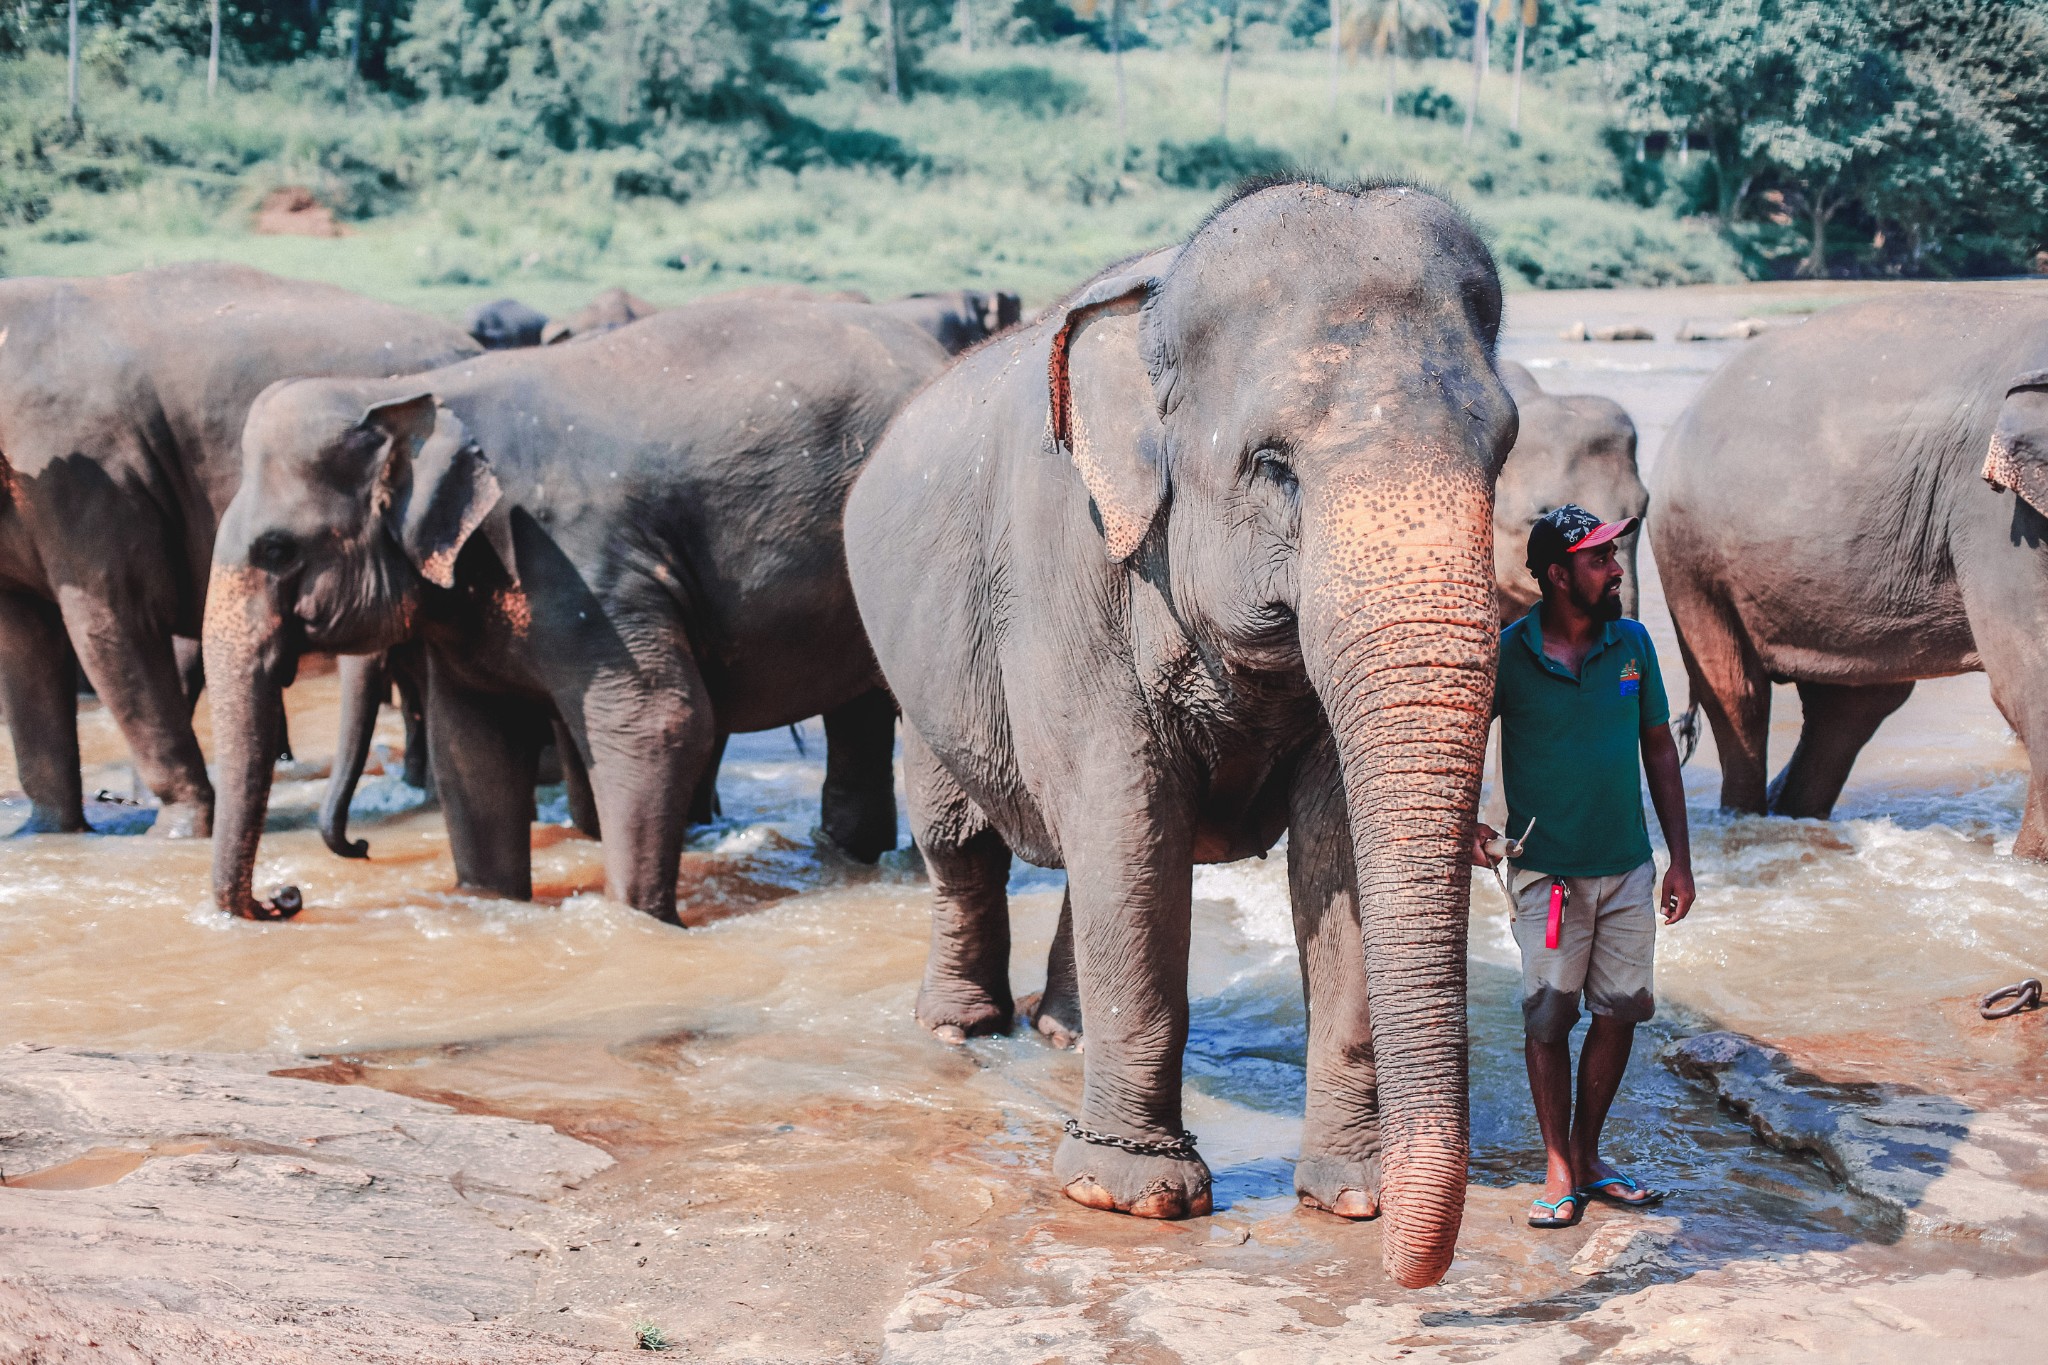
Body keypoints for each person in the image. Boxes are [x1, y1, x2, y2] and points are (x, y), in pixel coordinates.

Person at [1473, 504, 1695, 1230]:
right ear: (1559, 575)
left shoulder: (1632, 644)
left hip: (1627, 866)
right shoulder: (1510, 652)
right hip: (1548, 874)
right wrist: (1468, 820)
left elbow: (1659, 748)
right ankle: (1559, 1168)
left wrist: (1678, 860)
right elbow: (1462, 733)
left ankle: (1588, 1153)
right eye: (1599, 558)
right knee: (1549, 1014)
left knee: (1621, 1009)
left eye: (1613, 554)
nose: (1616, 567)